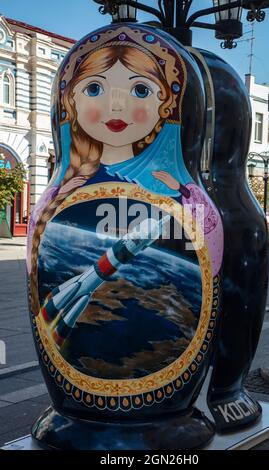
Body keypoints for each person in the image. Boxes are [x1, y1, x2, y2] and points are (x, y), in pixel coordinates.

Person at [28, 27, 224, 315]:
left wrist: (181, 191)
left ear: (167, 104)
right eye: (93, 88)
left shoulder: (181, 189)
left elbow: (210, 255)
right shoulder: (65, 188)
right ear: (70, 101)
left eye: (141, 90)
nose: (117, 104)